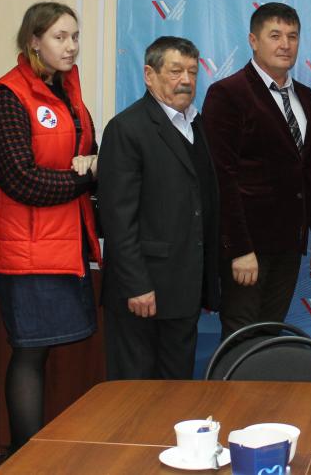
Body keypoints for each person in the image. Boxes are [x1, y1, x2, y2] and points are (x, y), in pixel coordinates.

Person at [0, 1, 101, 451]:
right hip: (25, 251)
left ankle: (39, 454)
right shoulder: (8, 95)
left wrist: (92, 164)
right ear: (34, 41)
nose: (71, 46)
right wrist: (86, 176)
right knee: (30, 354)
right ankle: (24, 458)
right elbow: (22, 180)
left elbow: (90, 154)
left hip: (63, 245)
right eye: (59, 37)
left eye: (75, 37)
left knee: (44, 353)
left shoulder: (68, 92)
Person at [97, 36, 220, 379]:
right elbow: (118, 218)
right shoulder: (127, 128)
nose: (186, 80)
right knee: (135, 394)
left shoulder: (197, 124)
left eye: (192, 72)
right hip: (142, 291)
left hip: (184, 290)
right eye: (176, 71)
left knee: (176, 390)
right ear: (149, 75)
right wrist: (136, 285)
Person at [202, 2, 311, 338]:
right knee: (241, 338)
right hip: (247, 248)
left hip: (289, 245)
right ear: (254, 41)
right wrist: (239, 249)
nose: (285, 44)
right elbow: (221, 177)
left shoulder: (306, 97)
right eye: (275, 35)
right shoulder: (228, 94)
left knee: (269, 336)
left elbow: (309, 173)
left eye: (292, 36)